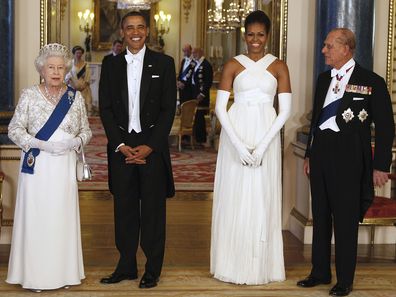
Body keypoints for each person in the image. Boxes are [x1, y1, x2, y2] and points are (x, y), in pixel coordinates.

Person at [297, 28, 394, 296]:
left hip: (350, 159)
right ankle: (319, 272)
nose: (323, 50)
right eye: (325, 46)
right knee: (320, 215)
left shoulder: (371, 80)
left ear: (345, 48)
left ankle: (345, 280)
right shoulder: (322, 79)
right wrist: (308, 155)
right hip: (322, 155)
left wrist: (381, 165)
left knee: (345, 220)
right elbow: (317, 119)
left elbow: (386, 126)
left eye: (328, 46)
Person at [210, 10, 292, 285]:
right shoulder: (233, 64)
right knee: (236, 195)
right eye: (250, 35)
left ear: (267, 36)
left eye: (260, 35)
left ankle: (261, 266)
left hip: (266, 136)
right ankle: (231, 264)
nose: (255, 40)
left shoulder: (279, 66)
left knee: (261, 197)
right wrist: (240, 147)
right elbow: (221, 108)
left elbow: (284, 112)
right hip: (237, 134)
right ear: (244, 35)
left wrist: (261, 147)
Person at [99, 11, 176, 289]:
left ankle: (152, 269)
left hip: (151, 147)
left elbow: (169, 110)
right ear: (122, 31)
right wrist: (119, 145)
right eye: (129, 27)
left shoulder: (164, 63)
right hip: (121, 146)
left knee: (153, 210)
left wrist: (150, 146)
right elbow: (105, 108)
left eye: (140, 27)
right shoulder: (110, 64)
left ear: (148, 30)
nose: (135, 32)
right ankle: (126, 265)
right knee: (124, 209)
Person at [6, 43, 92, 292]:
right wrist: (38, 143)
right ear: (41, 70)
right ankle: (36, 277)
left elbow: (86, 131)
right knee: (38, 219)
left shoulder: (73, 99)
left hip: (64, 167)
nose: (55, 71)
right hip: (38, 167)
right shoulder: (29, 95)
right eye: (50, 67)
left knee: (60, 218)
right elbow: (14, 130)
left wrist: (75, 141)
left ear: (66, 69)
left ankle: (63, 274)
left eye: (60, 67)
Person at [191, 47, 213, 145]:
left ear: (201, 52)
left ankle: (201, 139)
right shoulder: (196, 64)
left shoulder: (206, 64)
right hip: (195, 94)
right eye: (192, 53)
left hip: (201, 96)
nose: (193, 54)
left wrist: (202, 94)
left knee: (200, 117)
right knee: (196, 117)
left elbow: (208, 81)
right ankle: (197, 138)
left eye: (195, 52)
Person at [65, 45, 93, 115]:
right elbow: (67, 77)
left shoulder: (86, 65)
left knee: (83, 108)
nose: (79, 55)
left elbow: (88, 78)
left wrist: (82, 87)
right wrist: (74, 87)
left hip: (84, 89)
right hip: (72, 89)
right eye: (77, 53)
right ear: (74, 54)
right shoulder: (70, 64)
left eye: (80, 53)